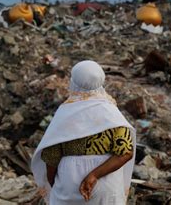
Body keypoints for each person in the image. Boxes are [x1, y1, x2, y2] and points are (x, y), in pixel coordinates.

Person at [31, 60, 135, 204]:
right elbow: (125, 152)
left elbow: (52, 157)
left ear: (74, 82)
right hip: (106, 185)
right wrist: (94, 175)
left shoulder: (65, 113)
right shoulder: (111, 113)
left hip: (70, 183)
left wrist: (57, 187)